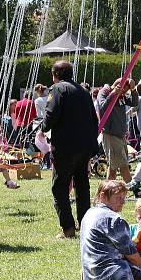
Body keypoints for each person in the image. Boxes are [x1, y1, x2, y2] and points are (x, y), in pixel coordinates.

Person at [42, 60, 99, 239]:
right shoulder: (84, 91)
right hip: (84, 146)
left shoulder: (57, 89)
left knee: (59, 188)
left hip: (65, 147)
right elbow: (93, 119)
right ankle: (85, 225)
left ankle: (68, 229)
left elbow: (51, 115)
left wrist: (43, 127)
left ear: (55, 74)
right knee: (82, 186)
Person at [97, 78, 139, 182]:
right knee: (123, 165)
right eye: (124, 90)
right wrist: (113, 94)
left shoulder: (122, 96)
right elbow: (102, 108)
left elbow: (134, 103)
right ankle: (134, 189)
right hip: (110, 134)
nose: (124, 93)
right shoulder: (104, 92)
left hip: (120, 135)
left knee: (113, 167)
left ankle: (107, 190)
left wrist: (133, 90)